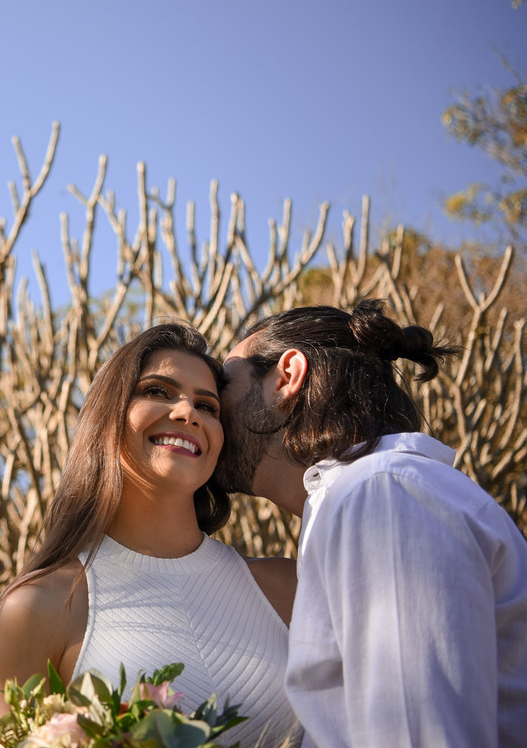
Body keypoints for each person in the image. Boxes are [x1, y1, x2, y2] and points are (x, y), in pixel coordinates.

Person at [215, 298, 527, 747]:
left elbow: (415, 735)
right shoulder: (357, 499)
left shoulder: (381, 496)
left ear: (286, 377)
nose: (207, 408)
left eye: (225, 381)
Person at [0, 323, 302, 748]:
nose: (188, 412)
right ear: (108, 416)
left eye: (208, 406)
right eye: (158, 391)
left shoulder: (288, 589)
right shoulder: (37, 607)